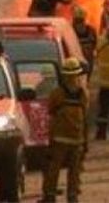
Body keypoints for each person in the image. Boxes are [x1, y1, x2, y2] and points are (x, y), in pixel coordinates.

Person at [40, 57, 88, 203]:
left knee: (53, 168)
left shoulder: (57, 93)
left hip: (59, 138)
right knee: (74, 171)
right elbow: (85, 113)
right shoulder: (83, 93)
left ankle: (49, 196)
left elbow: (50, 110)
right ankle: (72, 197)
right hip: (77, 139)